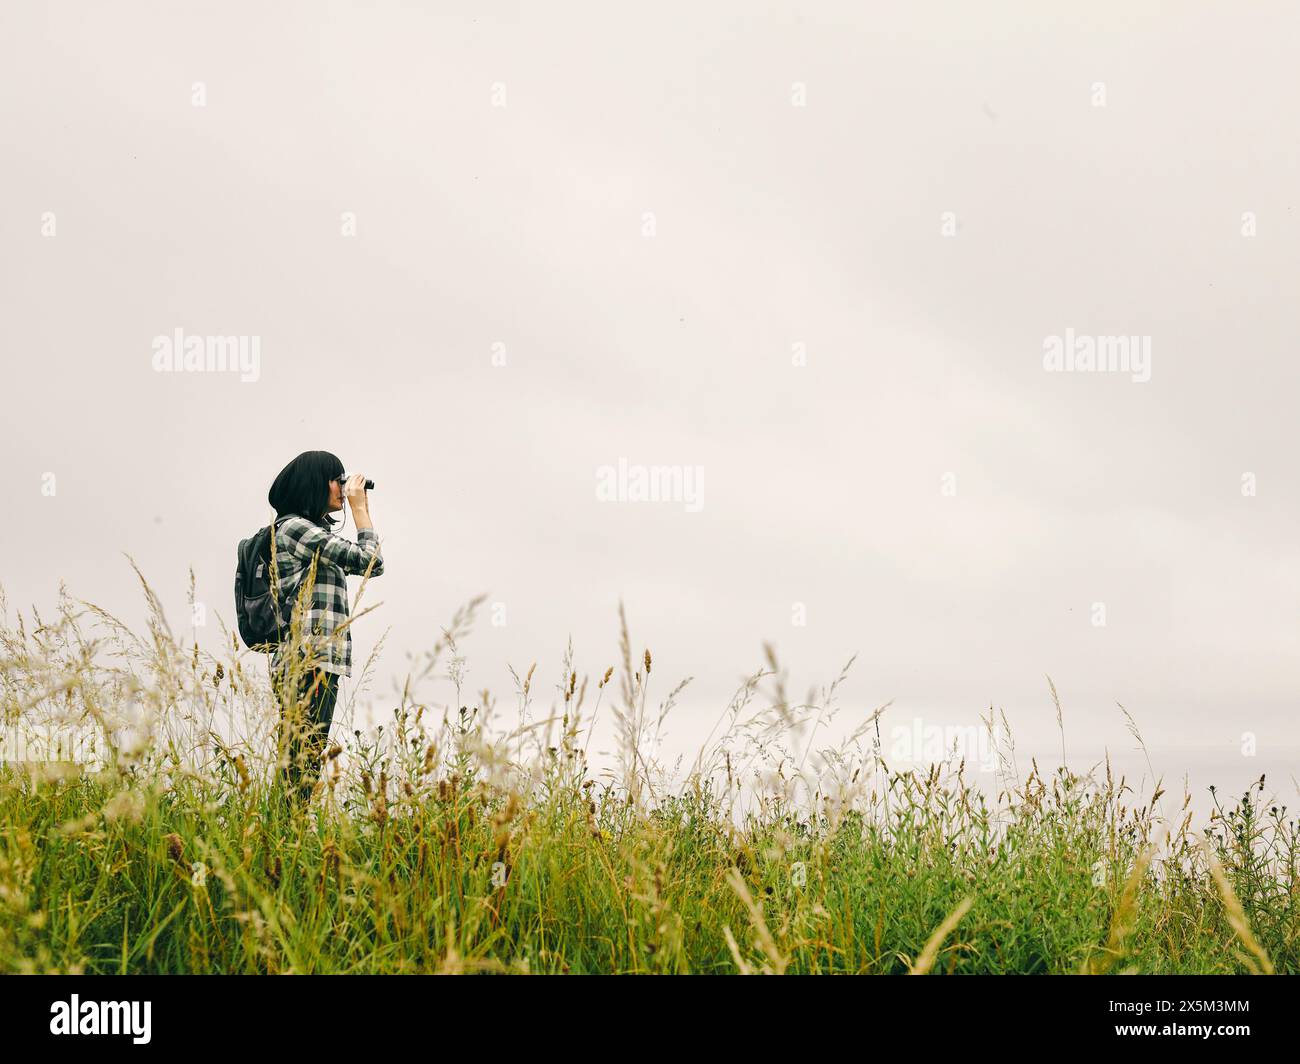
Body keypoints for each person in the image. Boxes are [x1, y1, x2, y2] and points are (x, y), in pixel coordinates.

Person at [265, 450, 384, 808]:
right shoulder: (294, 528)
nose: (342, 487)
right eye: (336, 478)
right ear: (315, 483)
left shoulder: (308, 532)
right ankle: (283, 837)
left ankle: (284, 837)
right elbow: (370, 562)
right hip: (307, 661)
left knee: (301, 763)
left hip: (313, 660)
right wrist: (361, 510)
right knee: (300, 764)